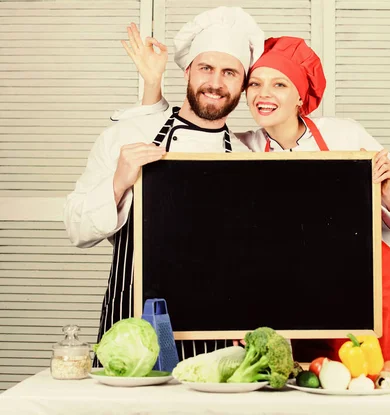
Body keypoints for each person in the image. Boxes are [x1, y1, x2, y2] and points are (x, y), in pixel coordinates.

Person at [118, 34, 390, 363]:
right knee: (306, 383)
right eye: (255, 84)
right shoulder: (237, 147)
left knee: (382, 388)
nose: (264, 94)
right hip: (294, 296)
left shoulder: (345, 134)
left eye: (279, 85)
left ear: (300, 98)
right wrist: (153, 84)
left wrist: (387, 192)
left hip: (366, 290)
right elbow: (175, 146)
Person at [63, 6, 265, 364]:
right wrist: (118, 181)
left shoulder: (249, 153)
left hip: (219, 342)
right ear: (188, 71)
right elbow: (77, 229)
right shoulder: (128, 135)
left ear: (242, 84)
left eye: (229, 72)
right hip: (134, 334)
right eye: (206, 68)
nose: (216, 83)